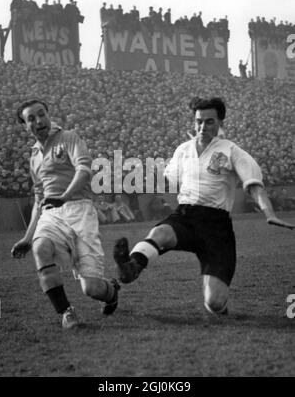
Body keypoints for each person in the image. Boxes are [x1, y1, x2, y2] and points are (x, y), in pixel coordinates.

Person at [112, 97, 294, 316]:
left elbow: (254, 185)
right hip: (186, 216)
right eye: (199, 121)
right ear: (193, 122)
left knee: (214, 303)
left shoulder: (232, 151)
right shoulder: (183, 150)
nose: (202, 127)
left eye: (209, 122)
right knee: (160, 232)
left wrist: (269, 212)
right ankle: (131, 267)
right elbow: (171, 177)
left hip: (216, 227)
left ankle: (220, 305)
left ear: (220, 123)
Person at [11, 100, 120, 329]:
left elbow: (83, 169)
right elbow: (39, 199)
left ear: (49, 115)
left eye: (42, 114)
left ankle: (110, 291)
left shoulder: (68, 137)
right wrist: (27, 238)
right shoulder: (34, 157)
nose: (38, 121)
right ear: (25, 126)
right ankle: (66, 312)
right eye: (31, 118)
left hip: (79, 209)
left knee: (92, 288)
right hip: (52, 213)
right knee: (41, 249)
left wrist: (65, 196)